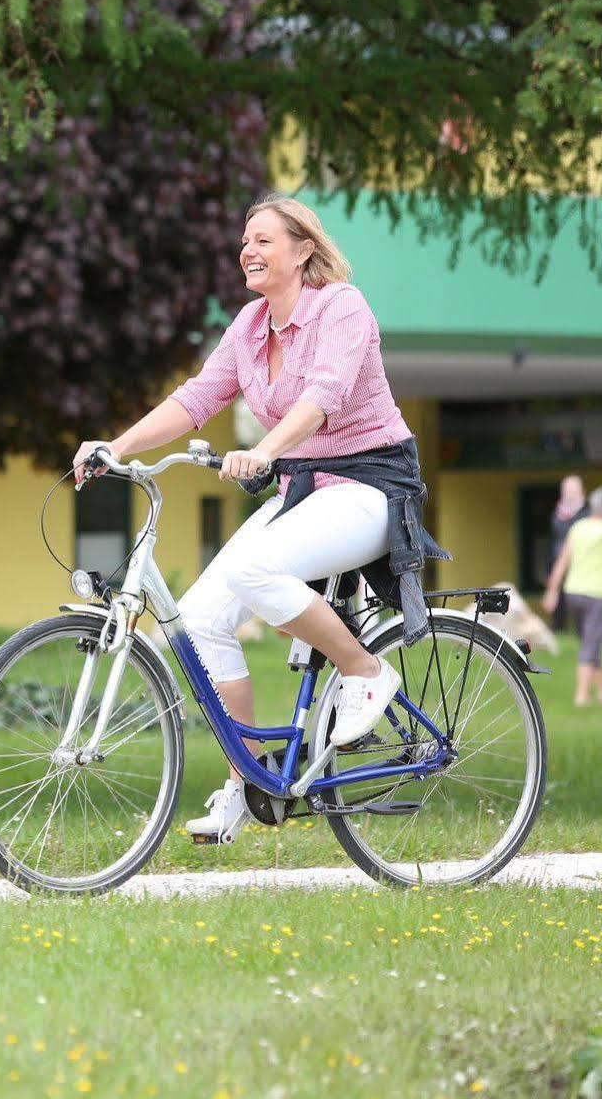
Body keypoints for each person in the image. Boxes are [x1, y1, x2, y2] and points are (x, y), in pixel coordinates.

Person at [73, 193, 447, 844]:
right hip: (305, 489)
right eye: (244, 240)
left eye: (263, 239)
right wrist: (116, 446)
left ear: (303, 249)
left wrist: (264, 451)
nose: (247, 249)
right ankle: (245, 783)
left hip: (372, 488)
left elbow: (322, 397)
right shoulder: (249, 326)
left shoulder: (341, 307)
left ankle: (364, 671)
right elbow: (195, 398)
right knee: (199, 619)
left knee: (253, 569)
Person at [543, 484, 602, 707]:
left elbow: (562, 561)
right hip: (595, 593)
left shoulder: (578, 527)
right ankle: (581, 696)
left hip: (573, 592)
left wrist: (552, 591)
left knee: (589, 640)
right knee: (591, 643)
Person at [548, 475, 590, 632]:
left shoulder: (588, 513)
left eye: (574, 491)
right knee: (558, 603)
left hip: (579, 564)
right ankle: (558, 629)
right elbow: (553, 541)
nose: (571, 495)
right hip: (558, 561)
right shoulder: (557, 514)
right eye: (568, 491)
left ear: (582, 492)